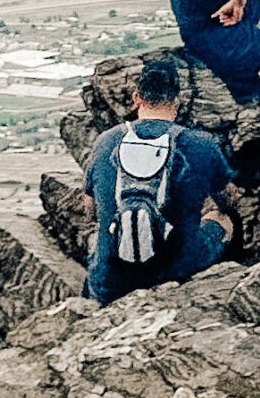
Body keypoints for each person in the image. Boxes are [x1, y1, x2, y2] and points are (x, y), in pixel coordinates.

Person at [84, 56, 244, 305]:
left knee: (98, 236)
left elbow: (89, 207)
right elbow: (228, 201)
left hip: (110, 284)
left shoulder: (105, 141)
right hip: (174, 274)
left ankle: (91, 305)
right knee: (224, 220)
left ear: (137, 98)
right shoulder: (200, 144)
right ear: (177, 101)